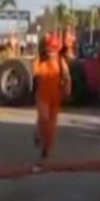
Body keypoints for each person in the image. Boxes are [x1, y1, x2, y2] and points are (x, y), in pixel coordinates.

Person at [32, 34, 71, 162]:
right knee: (44, 119)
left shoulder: (61, 61)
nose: (51, 54)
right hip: (42, 96)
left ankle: (46, 147)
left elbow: (66, 77)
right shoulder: (40, 60)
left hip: (55, 97)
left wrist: (67, 89)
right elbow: (35, 75)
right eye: (49, 50)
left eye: (53, 51)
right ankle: (39, 134)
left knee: (51, 125)